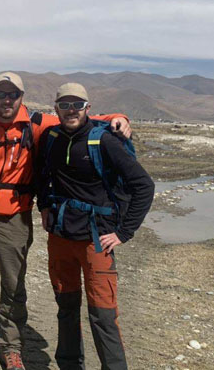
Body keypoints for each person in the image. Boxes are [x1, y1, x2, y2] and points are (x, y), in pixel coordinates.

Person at [0, 73, 131, 370]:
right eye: (1, 94)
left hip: (14, 216)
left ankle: (11, 347)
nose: (7, 100)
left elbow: (78, 116)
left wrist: (116, 117)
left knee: (13, 285)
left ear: (21, 97)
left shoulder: (36, 123)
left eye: (13, 95)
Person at [36, 83, 154, 370]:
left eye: (77, 104)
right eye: (65, 105)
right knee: (66, 307)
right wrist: (43, 207)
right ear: (56, 109)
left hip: (96, 238)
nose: (71, 110)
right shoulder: (50, 138)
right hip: (61, 237)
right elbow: (41, 175)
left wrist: (125, 232)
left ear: (87, 107)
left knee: (102, 314)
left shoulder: (104, 141)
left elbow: (144, 186)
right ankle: (69, 365)